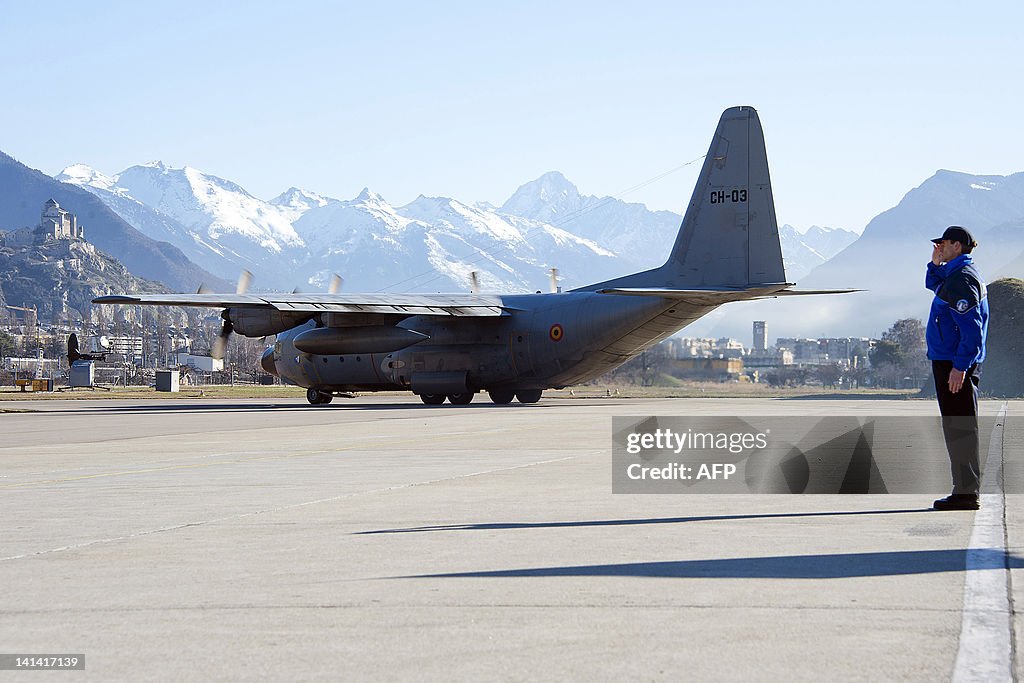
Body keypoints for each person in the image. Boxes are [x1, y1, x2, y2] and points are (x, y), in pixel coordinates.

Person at [925, 226, 989, 511]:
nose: (939, 247)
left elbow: (972, 331)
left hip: (954, 363)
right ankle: (965, 489)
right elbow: (934, 284)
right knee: (957, 425)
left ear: (956, 245)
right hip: (950, 360)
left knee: (960, 427)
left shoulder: (962, 280)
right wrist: (935, 264)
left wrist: (959, 367)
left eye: (943, 243)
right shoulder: (955, 275)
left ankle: (966, 493)